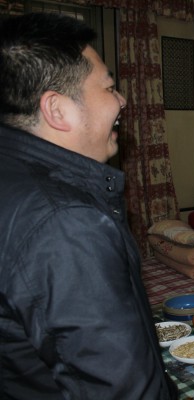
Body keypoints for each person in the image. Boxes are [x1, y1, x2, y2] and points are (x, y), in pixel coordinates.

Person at [0, 13, 177, 399]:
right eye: (109, 87)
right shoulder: (65, 223)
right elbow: (122, 386)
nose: (122, 100)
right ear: (57, 109)